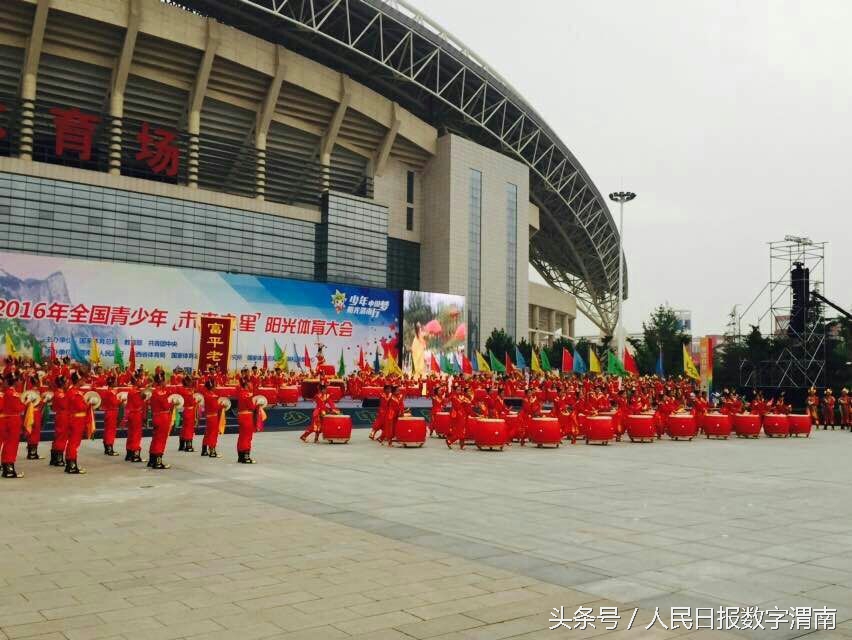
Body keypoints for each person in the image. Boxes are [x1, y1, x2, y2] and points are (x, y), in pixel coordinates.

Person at [64, 372, 89, 474]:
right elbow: (80, 407)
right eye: (82, 379)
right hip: (77, 420)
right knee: (74, 443)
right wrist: (89, 404)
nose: (84, 381)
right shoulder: (75, 392)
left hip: (74, 419)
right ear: (78, 381)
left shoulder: (72, 391)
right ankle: (72, 465)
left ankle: (70, 463)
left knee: (72, 442)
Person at [147, 371, 172, 470]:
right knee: (161, 439)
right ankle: (158, 461)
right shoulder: (161, 393)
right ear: (161, 381)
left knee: (155, 438)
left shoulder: (155, 392)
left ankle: (152, 460)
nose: (166, 382)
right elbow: (166, 405)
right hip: (162, 417)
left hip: (156, 416)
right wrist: (172, 404)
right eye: (164, 380)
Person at [1, 374, 24, 478]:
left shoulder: (7, 393)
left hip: (8, 419)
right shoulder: (13, 394)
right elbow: (18, 408)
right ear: (14, 382)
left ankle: (6, 466)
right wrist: (26, 402)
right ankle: (9, 468)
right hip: (13, 420)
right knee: (12, 444)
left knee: (7, 444)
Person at [124, 373, 145, 463]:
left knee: (131, 434)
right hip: (136, 414)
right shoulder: (136, 392)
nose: (141, 381)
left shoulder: (131, 391)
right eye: (140, 380)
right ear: (136, 381)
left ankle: (129, 453)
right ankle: (135, 455)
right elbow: (138, 404)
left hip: (131, 414)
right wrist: (143, 399)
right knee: (136, 434)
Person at [235, 378, 257, 463]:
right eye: (250, 384)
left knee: (241, 436)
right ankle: (246, 456)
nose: (251, 385)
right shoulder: (248, 395)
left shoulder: (240, 393)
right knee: (247, 437)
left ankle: (240, 456)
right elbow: (251, 407)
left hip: (241, 415)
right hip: (247, 416)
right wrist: (257, 405)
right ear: (246, 385)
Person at [50, 376, 69, 467]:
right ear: (62, 384)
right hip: (63, 416)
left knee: (58, 436)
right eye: (66, 382)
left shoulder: (58, 393)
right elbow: (66, 405)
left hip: (60, 415)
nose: (67, 384)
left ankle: (54, 458)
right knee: (61, 436)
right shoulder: (60, 394)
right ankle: (58, 458)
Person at [200, 378, 222, 458]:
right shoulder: (212, 396)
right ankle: (212, 450)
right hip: (213, 416)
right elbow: (215, 407)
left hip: (209, 416)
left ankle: (204, 450)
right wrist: (222, 405)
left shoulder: (206, 394)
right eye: (215, 385)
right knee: (213, 433)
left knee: (208, 433)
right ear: (212, 386)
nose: (216, 386)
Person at [100, 375, 120, 456]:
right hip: (112, 412)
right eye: (115, 381)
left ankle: (106, 447)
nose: (116, 382)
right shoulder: (111, 392)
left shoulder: (107, 391)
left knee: (107, 430)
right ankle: (109, 448)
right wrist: (120, 401)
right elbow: (115, 403)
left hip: (108, 412)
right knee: (111, 431)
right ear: (112, 383)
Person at [178, 375, 198, 452]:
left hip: (187, 410)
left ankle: (182, 445)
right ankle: (188, 445)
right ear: (186, 382)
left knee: (185, 427)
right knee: (189, 428)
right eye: (190, 381)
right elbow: (191, 401)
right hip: (188, 410)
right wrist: (196, 401)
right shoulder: (186, 391)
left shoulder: (186, 389)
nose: (191, 382)